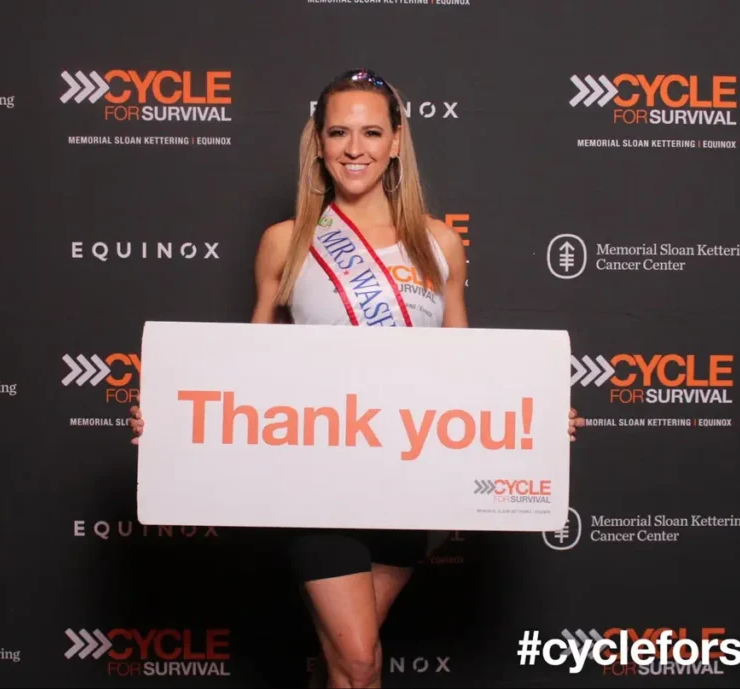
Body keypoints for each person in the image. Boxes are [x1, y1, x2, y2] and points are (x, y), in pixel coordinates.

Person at [128, 68, 585, 689]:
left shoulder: (439, 244)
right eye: (338, 131)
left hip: (412, 481)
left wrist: (533, 422)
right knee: (362, 659)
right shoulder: (286, 243)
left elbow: (467, 366)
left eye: (372, 132)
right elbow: (243, 365)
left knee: (346, 664)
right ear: (318, 142)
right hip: (314, 482)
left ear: (397, 141)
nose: (354, 148)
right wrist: (173, 422)